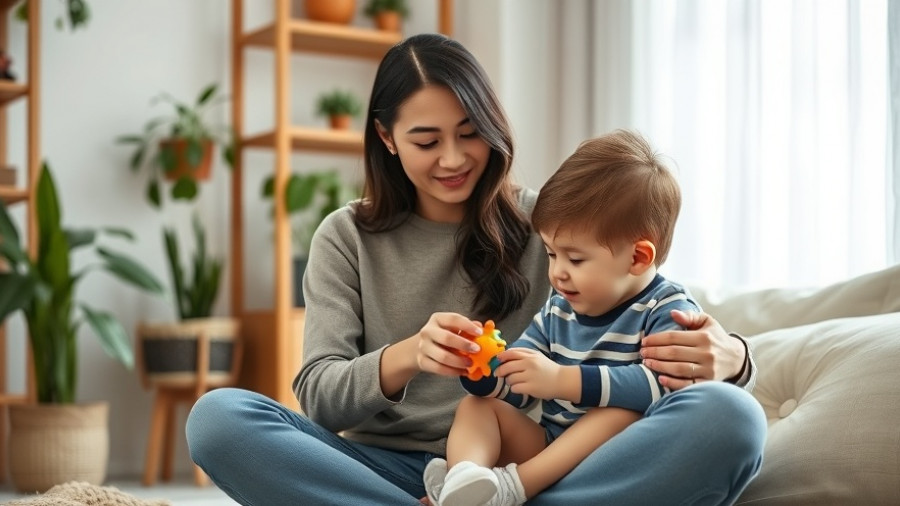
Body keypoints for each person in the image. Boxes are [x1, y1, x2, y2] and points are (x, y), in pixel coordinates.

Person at [186, 33, 766, 506]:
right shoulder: (345, 237)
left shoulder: (552, 224)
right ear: (386, 139)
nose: (454, 158)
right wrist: (410, 354)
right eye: (426, 140)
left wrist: (734, 359)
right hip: (378, 471)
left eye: (470, 133)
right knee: (218, 417)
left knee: (730, 416)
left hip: (529, 470)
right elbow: (319, 398)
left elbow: (645, 299)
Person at [431, 130, 721, 506]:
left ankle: (510, 489)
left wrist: (562, 380)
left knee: (618, 413)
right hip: (550, 452)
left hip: (615, 466)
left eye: (576, 259)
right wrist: (484, 370)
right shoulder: (558, 308)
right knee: (477, 407)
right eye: (551, 254)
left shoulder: (668, 310)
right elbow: (519, 387)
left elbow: (665, 388)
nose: (557, 273)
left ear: (637, 258)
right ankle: (465, 482)